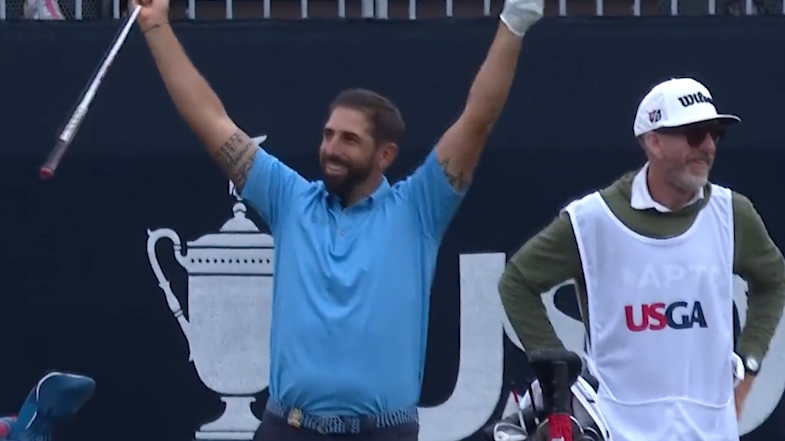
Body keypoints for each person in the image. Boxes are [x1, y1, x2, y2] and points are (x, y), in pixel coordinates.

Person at [131, 0, 543, 437]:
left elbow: (476, 120)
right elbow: (211, 120)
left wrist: (513, 24)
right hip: (288, 427)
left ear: (385, 155)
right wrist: (157, 26)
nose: (331, 148)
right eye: (328, 135)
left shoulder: (418, 209)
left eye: (349, 139)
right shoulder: (289, 199)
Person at [498, 77, 785, 441]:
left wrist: (750, 362)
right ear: (654, 142)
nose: (709, 147)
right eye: (696, 135)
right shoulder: (592, 220)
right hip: (621, 429)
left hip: (711, 431)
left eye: (715, 135)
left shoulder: (732, 212)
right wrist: (555, 366)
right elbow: (517, 281)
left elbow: (773, 279)